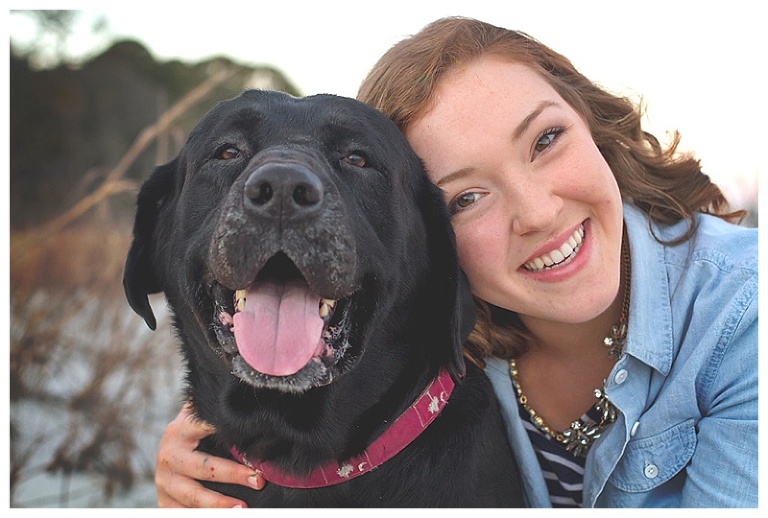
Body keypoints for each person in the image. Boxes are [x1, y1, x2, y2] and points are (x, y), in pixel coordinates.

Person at [153, 17, 758, 508]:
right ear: (421, 238)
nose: (538, 214)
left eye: (545, 140)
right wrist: (218, 444)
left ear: (592, 121)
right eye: (467, 197)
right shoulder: (437, 351)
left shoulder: (746, 320)